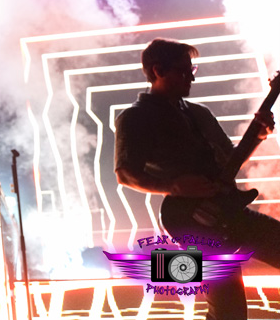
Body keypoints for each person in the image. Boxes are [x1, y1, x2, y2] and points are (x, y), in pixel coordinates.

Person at [114, 38, 280, 320]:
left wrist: (258, 136)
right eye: (183, 71)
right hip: (193, 218)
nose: (191, 77)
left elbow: (229, 159)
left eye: (193, 70)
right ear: (158, 71)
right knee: (229, 306)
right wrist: (171, 186)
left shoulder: (199, 113)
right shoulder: (135, 117)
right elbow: (125, 173)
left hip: (227, 209)